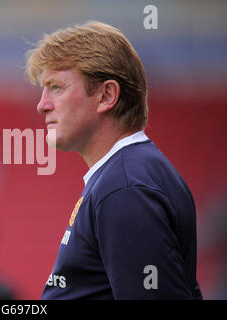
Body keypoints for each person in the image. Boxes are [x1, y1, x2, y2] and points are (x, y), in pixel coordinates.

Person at [25, 21, 202, 299]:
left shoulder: (126, 187)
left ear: (106, 95)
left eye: (56, 87)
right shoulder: (125, 176)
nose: (42, 104)